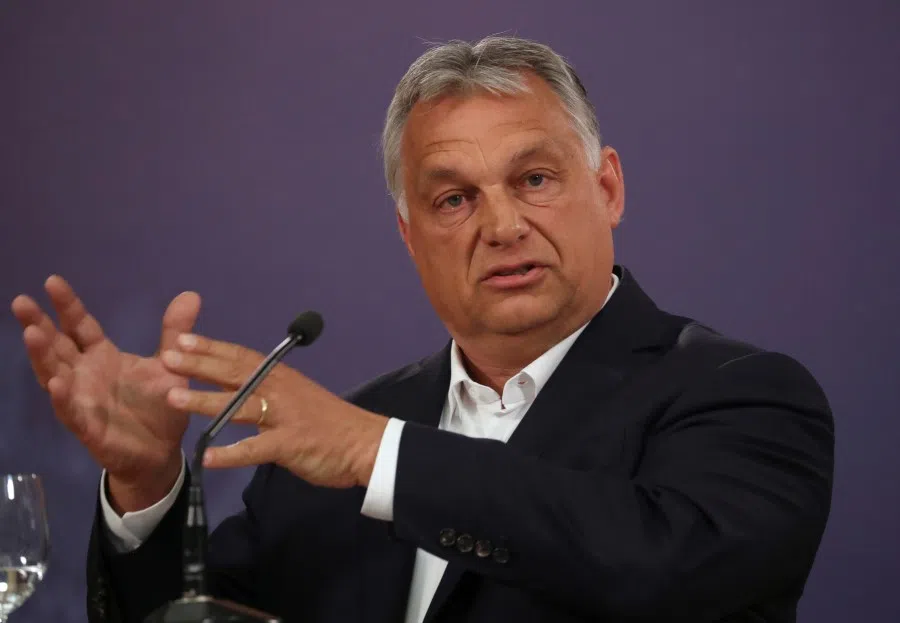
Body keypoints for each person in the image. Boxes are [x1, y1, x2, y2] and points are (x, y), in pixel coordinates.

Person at [11, 36, 834, 623]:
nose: (502, 225)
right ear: (410, 236)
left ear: (608, 188)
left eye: (534, 179)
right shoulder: (330, 447)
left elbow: (667, 570)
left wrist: (380, 457)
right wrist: (147, 487)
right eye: (454, 199)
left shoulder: (742, 398)